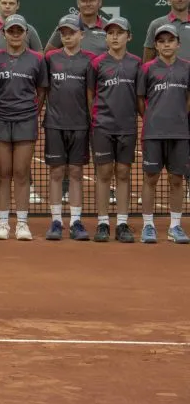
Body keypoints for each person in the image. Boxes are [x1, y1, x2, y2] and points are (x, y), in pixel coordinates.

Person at [0, 15, 49, 241]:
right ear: (4, 34)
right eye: (11, 31)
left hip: (25, 121)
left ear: (26, 34)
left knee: (21, 173)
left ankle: (22, 223)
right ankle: (3, 223)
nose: (15, 35)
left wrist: (33, 111)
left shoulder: (37, 60)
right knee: (3, 174)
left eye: (19, 31)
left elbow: (42, 90)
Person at [88, 17, 141, 243]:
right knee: (103, 173)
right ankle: (102, 222)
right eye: (110, 33)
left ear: (128, 36)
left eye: (120, 33)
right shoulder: (97, 63)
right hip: (102, 126)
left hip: (127, 127)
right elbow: (90, 95)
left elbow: (140, 97)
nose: (115, 37)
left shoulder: (137, 64)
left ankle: (121, 222)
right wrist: (98, 118)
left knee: (123, 173)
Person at [136, 24, 190, 244]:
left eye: (170, 40)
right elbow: (140, 99)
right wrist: (152, 118)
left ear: (178, 43)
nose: (166, 44)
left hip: (180, 133)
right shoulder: (147, 69)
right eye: (161, 41)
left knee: (177, 179)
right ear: (156, 45)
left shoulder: (187, 68)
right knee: (151, 178)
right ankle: (148, 226)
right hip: (153, 133)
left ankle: (175, 227)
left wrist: (179, 117)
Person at [43, 15, 94, 241]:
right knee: (56, 173)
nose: (67, 37)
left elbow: (91, 96)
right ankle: (56, 220)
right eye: (63, 33)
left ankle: (75, 221)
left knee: (75, 173)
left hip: (80, 125)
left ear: (81, 34)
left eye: (71, 33)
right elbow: (43, 91)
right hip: (54, 124)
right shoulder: (51, 59)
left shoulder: (90, 61)